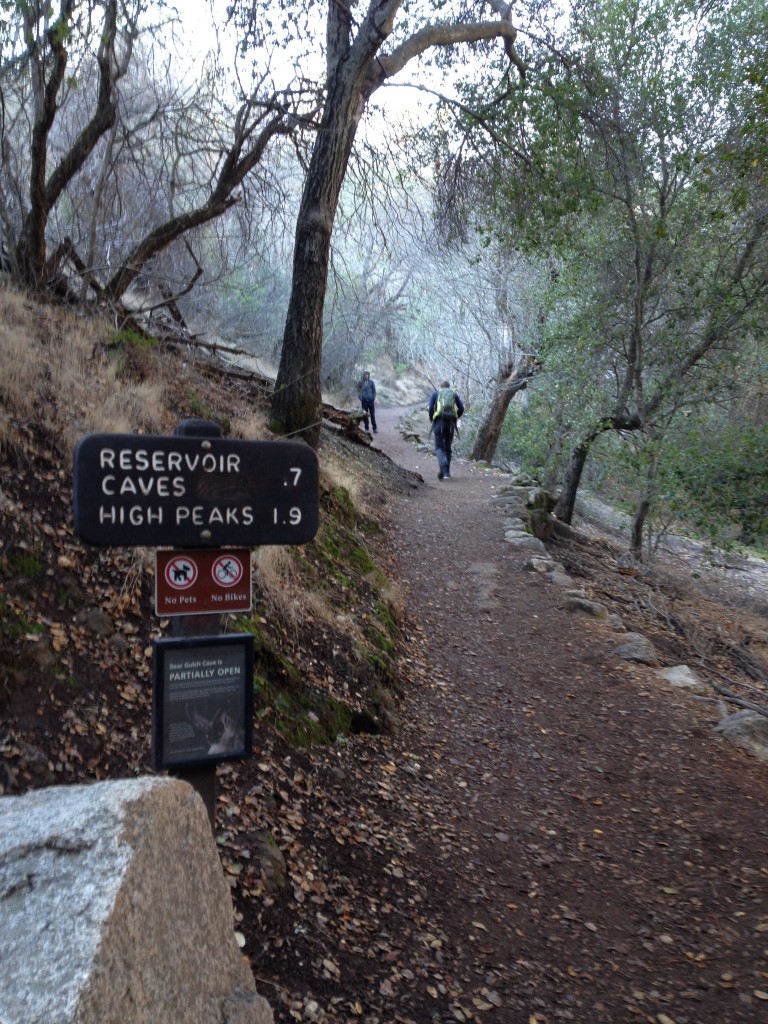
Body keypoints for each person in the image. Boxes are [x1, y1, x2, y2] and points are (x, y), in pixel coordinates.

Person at [428, 380, 464, 480]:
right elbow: (461, 408)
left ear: (440, 386)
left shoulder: (435, 394)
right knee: (448, 447)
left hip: (439, 422)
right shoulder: (453, 394)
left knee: (438, 446)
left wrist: (432, 418)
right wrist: (455, 417)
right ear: (449, 387)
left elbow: (431, 408)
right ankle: (447, 473)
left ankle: (442, 461)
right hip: (451, 423)